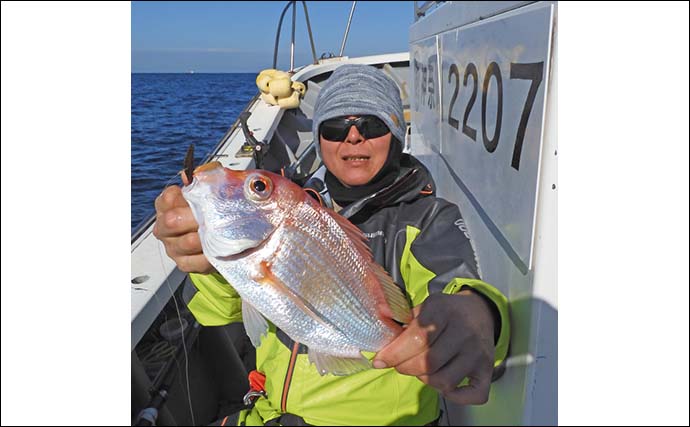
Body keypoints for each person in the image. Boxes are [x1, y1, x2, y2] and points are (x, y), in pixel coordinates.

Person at [153, 64, 510, 426]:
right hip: (269, 412)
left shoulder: (428, 219)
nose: (353, 137)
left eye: (371, 125)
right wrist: (209, 267)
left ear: (396, 135)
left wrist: (481, 314)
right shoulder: (300, 205)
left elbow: (457, 289)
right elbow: (220, 314)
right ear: (320, 139)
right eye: (336, 127)